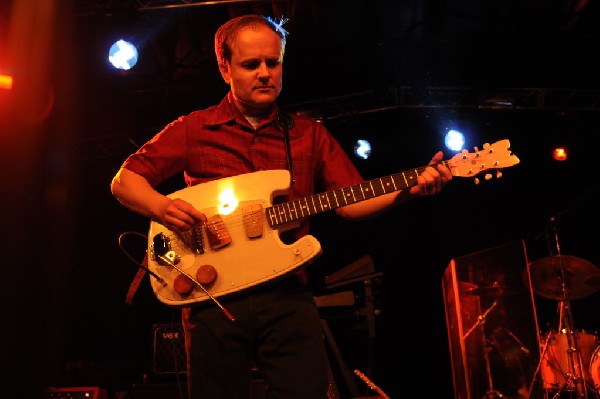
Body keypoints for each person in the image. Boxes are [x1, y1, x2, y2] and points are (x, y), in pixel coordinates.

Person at [110, 13, 453, 399]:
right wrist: (160, 207)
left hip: (287, 293)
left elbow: (351, 202)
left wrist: (409, 188)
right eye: (250, 64)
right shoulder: (194, 128)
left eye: (273, 63)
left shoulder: (310, 134)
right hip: (213, 298)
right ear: (225, 68)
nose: (264, 73)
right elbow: (125, 181)